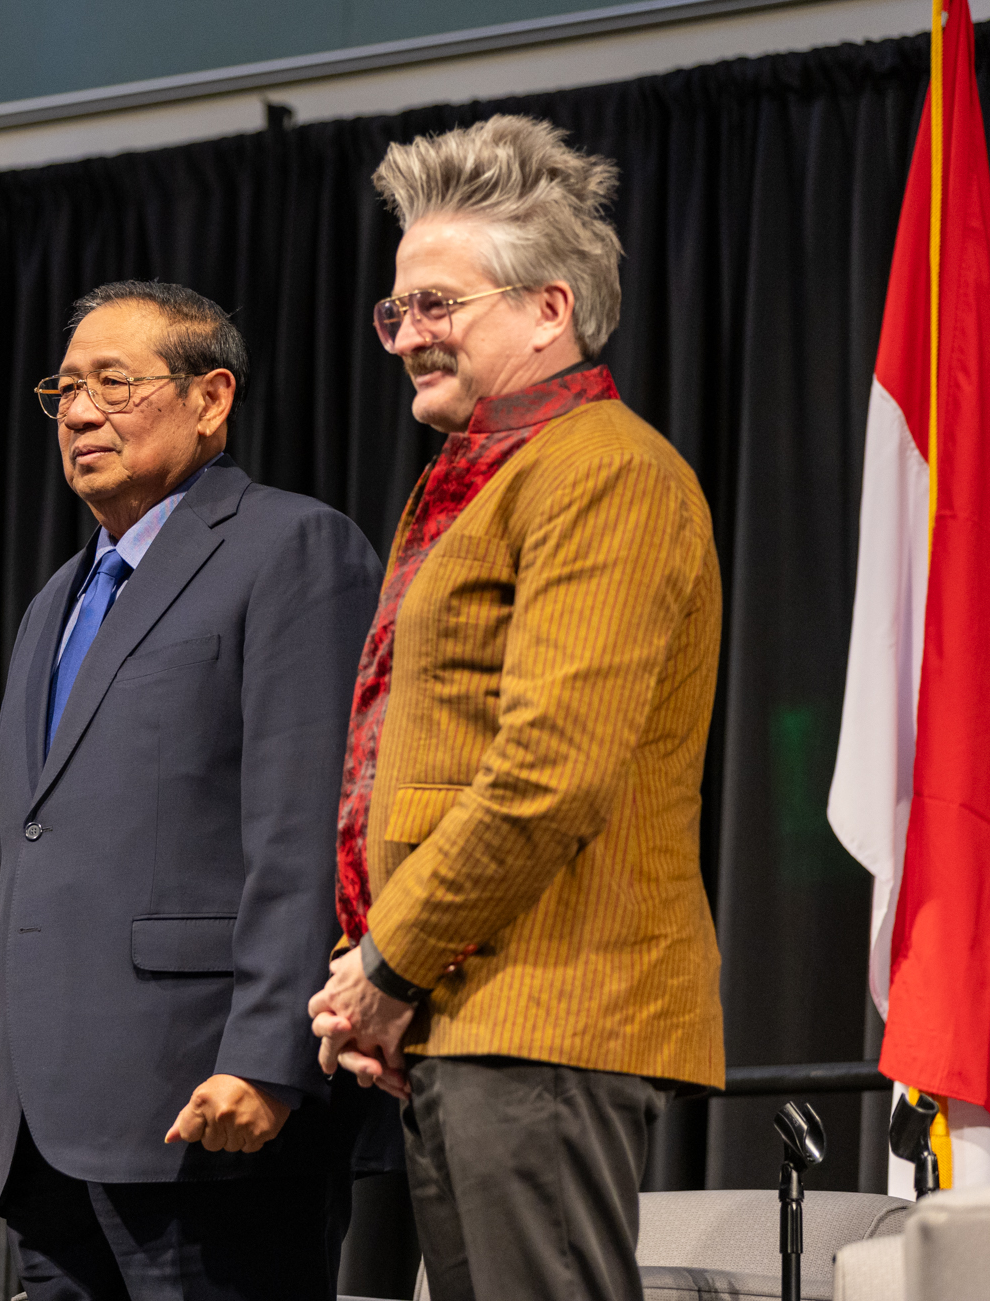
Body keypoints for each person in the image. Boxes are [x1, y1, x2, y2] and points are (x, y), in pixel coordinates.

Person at [308, 116, 725, 1301]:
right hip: (466, 1010)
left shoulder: (605, 472)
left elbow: (549, 771)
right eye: (396, 311)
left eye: (436, 306)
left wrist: (388, 962)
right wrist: (381, 970)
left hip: (543, 1011)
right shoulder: (482, 476)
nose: (406, 337)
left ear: (547, 310)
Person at [0, 282, 381, 1300]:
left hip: (203, 1106)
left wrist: (267, 1060)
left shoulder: (291, 548)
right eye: (64, 390)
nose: (79, 413)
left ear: (210, 399)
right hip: (45, 1134)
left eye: (112, 385)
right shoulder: (55, 599)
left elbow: (306, 830)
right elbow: (7, 851)